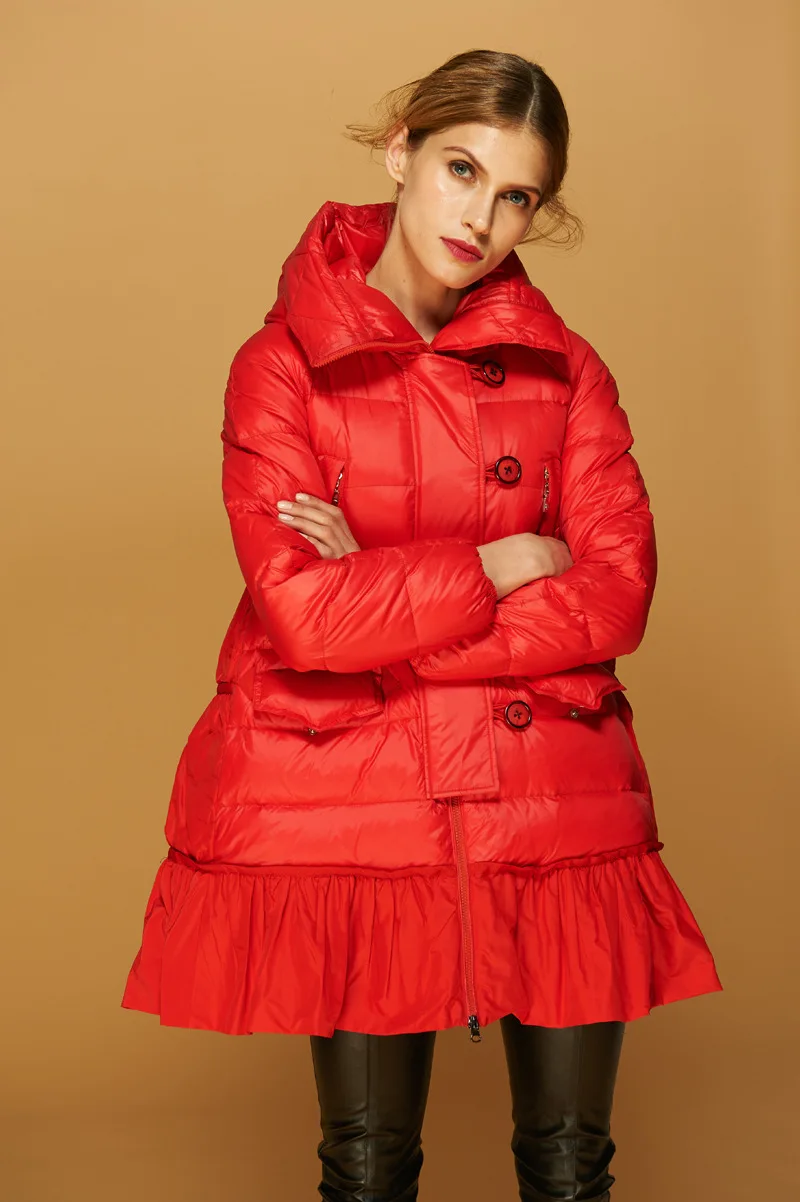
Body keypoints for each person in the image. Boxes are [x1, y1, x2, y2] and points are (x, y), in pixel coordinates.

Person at [122, 48, 723, 1201]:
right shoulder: (279, 369)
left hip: (555, 810)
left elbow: (614, 594)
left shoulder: (567, 373)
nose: (479, 218)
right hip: (352, 818)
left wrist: (382, 591)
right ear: (400, 150)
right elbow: (304, 616)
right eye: (460, 169)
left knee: (569, 1169)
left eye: (516, 195)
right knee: (366, 1170)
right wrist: (499, 560)